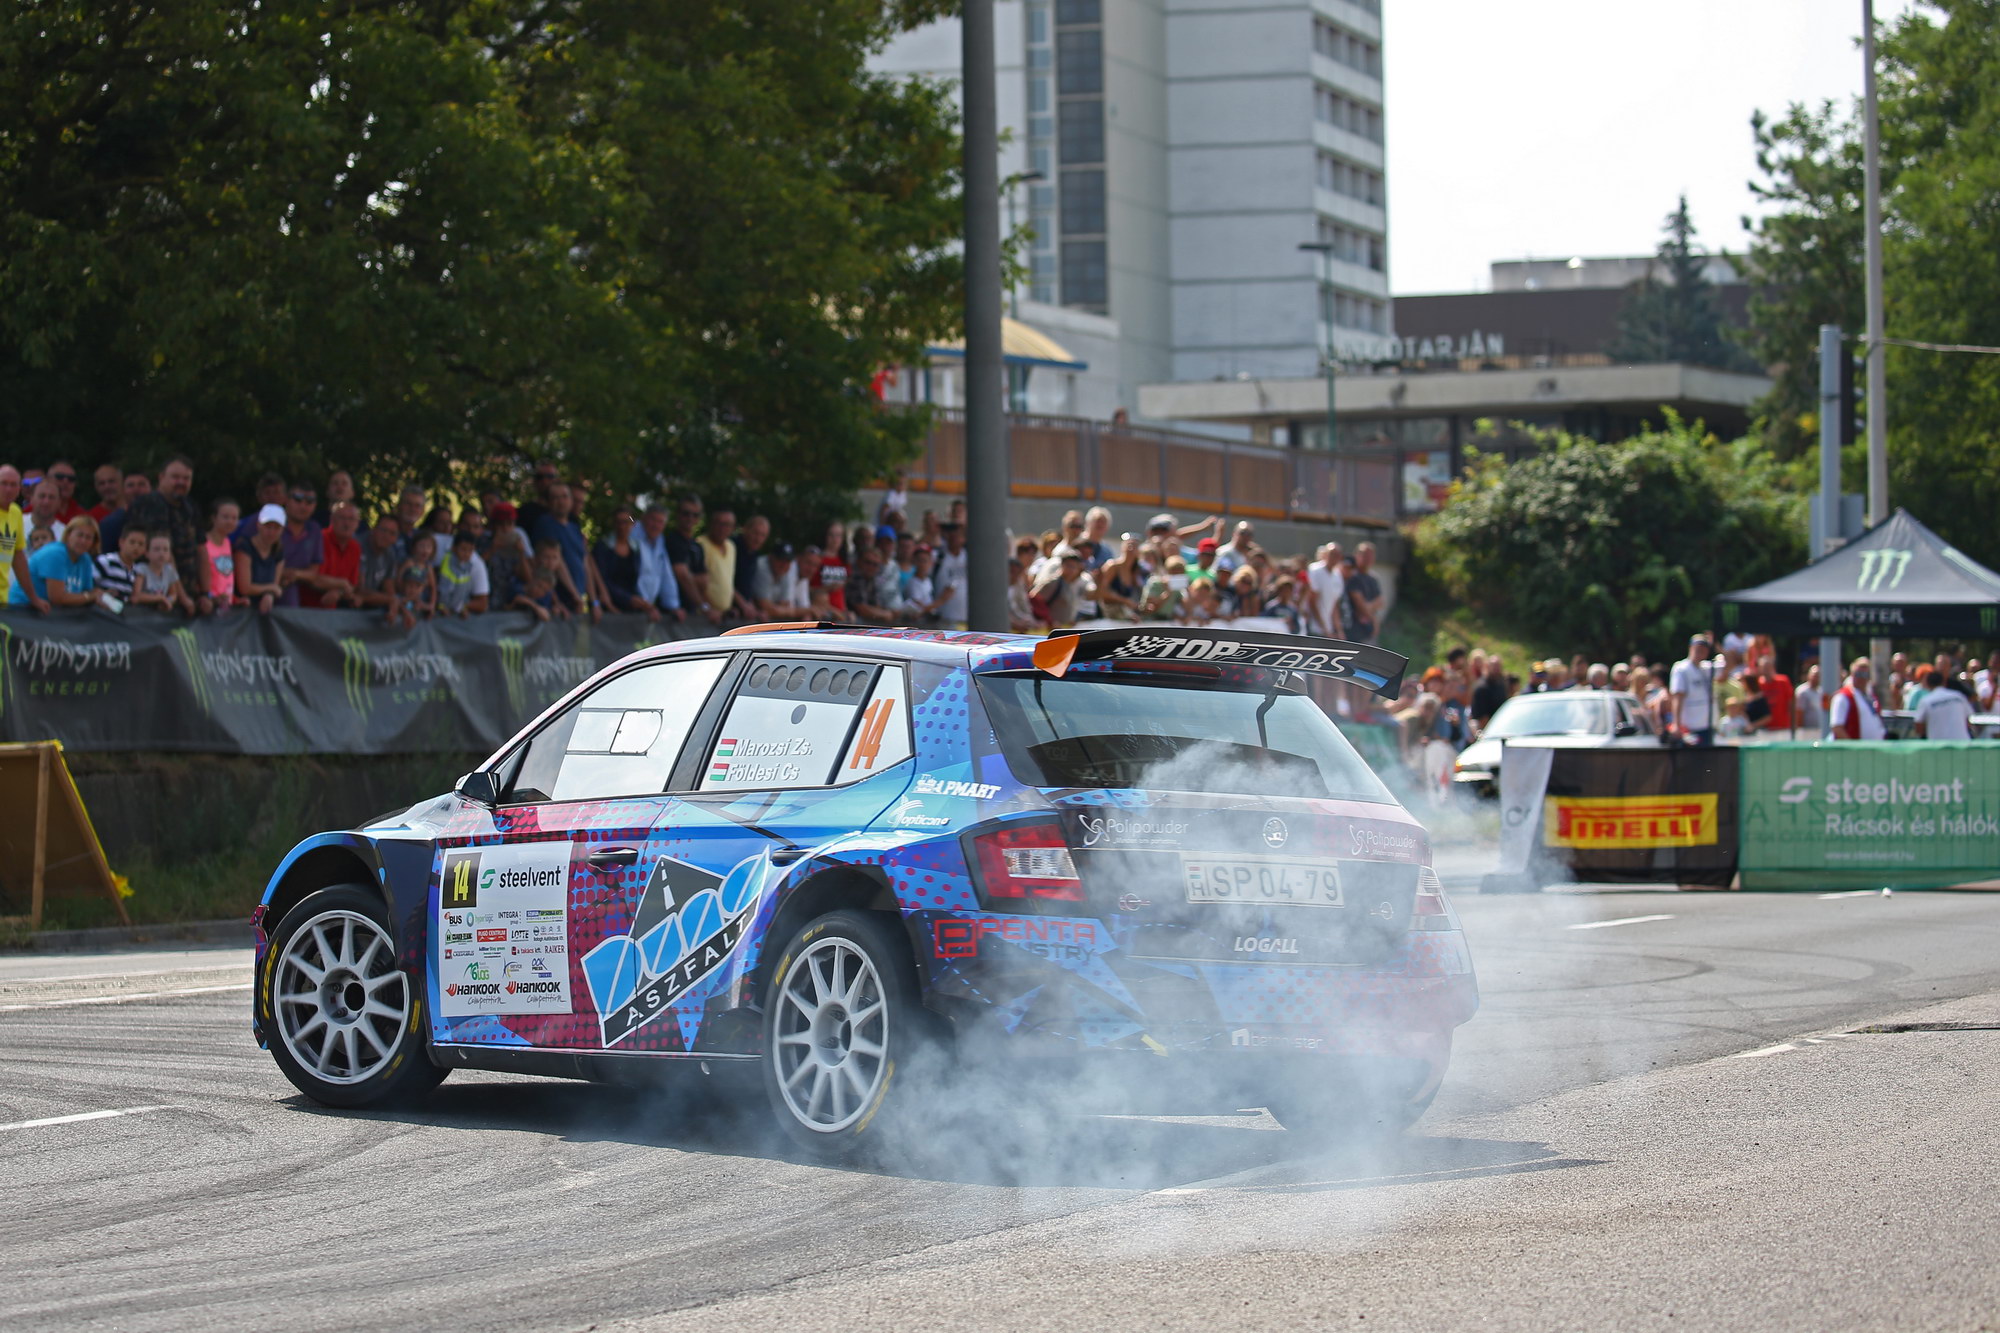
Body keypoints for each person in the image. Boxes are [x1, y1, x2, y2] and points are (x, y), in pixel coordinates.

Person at [127, 457, 210, 611]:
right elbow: (163, 552)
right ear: (161, 477)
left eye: (186, 478)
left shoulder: (191, 507)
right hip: (155, 597)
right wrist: (182, 597)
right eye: (175, 477)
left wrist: (205, 594)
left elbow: (202, 550)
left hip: (188, 593)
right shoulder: (149, 504)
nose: (181, 482)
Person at [14, 514, 101, 608]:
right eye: (80, 535)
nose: (83, 541)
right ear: (68, 535)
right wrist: (91, 596)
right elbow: (57, 598)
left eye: (88, 537)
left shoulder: (85, 559)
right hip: (22, 609)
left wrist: (101, 596)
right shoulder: (55, 554)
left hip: (51, 613)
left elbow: (87, 592)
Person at [666, 496, 718, 623]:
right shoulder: (671, 540)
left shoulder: (697, 546)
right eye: (686, 513)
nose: (690, 518)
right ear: (678, 514)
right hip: (671, 615)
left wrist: (688, 578)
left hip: (692, 614)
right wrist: (704, 607)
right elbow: (682, 575)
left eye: (695, 515)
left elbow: (704, 581)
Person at [593, 506, 652, 616]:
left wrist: (642, 602)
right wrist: (627, 598)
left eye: (626, 522)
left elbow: (638, 580)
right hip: (607, 609)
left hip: (631, 611)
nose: (622, 527)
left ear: (633, 525)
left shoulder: (636, 549)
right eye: (618, 522)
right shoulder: (603, 547)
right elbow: (601, 579)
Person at [698, 509, 755, 619]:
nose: (723, 528)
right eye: (719, 523)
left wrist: (734, 607)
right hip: (703, 616)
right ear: (712, 524)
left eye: (728, 525)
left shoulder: (731, 547)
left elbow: (727, 583)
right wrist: (707, 608)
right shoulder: (700, 544)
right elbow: (697, 582)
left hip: (724, 616)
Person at [0, 464, 41, 611]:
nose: (8, 489)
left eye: (13, 485)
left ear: (19, 489)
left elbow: (18, 557)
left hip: (3, 598)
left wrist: (33, 598)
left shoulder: (16, 512)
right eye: (3, 483)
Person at [631, 505, 683, 620]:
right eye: (653, 520)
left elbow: (666, 575)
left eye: (660, 522)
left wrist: (674, 606)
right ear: (644, 518)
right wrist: (643, 604)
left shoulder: (659, 540)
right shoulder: (632, 535)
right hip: (630, 605)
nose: (656, 525)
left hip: (647, 607)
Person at [236, 504, 287, 614]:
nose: (271, 532)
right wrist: (271, 589)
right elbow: (245, 588)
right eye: (268, 526)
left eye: (276, 528)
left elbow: (275, 585)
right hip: (241, 611)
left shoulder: (278, 551)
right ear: (258, 525)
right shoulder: (244, 547)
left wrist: (269, 594)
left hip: (263, 612)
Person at [1668, 634, 1717, 745]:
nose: (1700, 652)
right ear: (1691, 648)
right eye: (1698, 648)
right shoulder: (1681, 669)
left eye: (1704, 649)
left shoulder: (1707, 667)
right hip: (1691, 727)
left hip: (1707, 726)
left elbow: (1728, 668)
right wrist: (1676, 724)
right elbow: (1678, 697)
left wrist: (1717, 646)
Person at [314, 503, 364, 608]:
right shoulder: (320, 538)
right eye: (342, 518)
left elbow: (352, 584)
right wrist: (342, 584)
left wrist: (340, 592)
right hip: (304, 608)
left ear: (357, 524)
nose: (346, 523)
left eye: (351, 519)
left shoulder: (355, 547)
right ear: (332, 520)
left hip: (331, 613)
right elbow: (314, 578)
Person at [133, 531, 195, 615]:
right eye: (156, 549)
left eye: (165, 550)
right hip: (140, 612)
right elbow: (136, 596)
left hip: (159, 613)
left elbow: (173, 593)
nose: (161, 554)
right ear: (147, 553)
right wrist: (160, 598)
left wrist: (168, 601)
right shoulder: (142, 569)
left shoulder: (169, 571)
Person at [356, 514, 404, 619]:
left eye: (392, 533)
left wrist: (401, 611)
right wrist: (390, 600)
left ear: (396, 538)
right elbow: (359, 590)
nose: (386, 536)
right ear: (374, 529)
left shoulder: (390, 553)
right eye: (383, 530)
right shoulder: (358, 546)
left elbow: (389, 587)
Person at [435, 531, 490, 617]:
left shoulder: (471, 564)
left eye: (470, 550)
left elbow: (464, 591)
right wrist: (443, 606)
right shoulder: (446, 562)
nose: (466, 553)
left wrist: (462, 607)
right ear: (453, 548)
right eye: (463, 549)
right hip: (443, 608)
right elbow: (444, 588)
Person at [1829, 656, 1885, 740]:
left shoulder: (1871, 697)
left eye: (1865, 675)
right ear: (1852, 675)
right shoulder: (1843, 697)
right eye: (1858, 674)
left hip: (1873, 749)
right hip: (1856, 751)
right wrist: (1852, 749)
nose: (1862, 678)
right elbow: (1837, 728)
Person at [390, 532, 439, 626]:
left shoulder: (428, 567)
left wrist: (432, 605)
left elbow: (433, 587)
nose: (425, 550)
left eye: (428, 546)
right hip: (405, 596)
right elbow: (398, 579)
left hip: (418, 600)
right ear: (414, 547)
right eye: (421, 546)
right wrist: (406, 592)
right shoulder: (409, 563)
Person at [1912, 668, 1975, 740]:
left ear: (1927, 684)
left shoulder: (1926, 701)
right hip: (1962, 744)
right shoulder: (1958, 696)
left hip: (1939, 746)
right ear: (1944, 682)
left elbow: (1918, 728)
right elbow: (1968, 721)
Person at [752, 543, 810, 620]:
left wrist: (777, 612)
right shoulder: (762, 567)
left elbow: (785, 605)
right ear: (771, 557)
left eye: (788, 561)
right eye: (780, 559)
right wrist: (807, 611)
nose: (784, 564)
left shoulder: (785, 571)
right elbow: (767, 608)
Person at [202, 500, 242, 613]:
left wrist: (235, 599)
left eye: (234, 518)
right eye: (225, 517)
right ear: (214, 518)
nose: (230, 521)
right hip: (209, 606)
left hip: (225, 606)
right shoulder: (203, 544)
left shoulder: (228, 542)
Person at [98, 470, 151, 550]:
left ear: (150, 488)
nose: (136, 489)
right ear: (122, 490)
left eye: (141, 484)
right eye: (130, 485)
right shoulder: (110, 524)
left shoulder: (162, 519)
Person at [95, 526, 148, 606]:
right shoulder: (105, 561)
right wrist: (113, 604)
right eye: (132, 542)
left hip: (123, 614)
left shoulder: (137, 571)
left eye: (141, 544)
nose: (136, 547)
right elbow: (90, 589)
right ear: (121, 542)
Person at [1345, 541, 1383, 642]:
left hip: (1368, 630)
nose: (1368, 558)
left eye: (1371, 555)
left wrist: (1368, 606)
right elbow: (1360, 605)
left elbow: (1381, 602)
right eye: (1365, 555)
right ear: (1356, 555)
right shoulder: (1352, 577)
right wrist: (1375, 622)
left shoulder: (1373, 578)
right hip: (1353, 631)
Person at [1305, 542, 1345, 638]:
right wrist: (1323, 628)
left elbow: (1334, 604)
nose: (1333, 558)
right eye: (1331, 554)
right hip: (1312, 628)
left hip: (1327, 631)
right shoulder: (1314, 570)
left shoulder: (1338, 576)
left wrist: (1339, 630)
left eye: (1336, 555)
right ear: (1326, 554)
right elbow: (1312, 602)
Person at [732, 514, 771, 613]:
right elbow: (724, 582)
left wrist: (755, 609)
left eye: (762, 535)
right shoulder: (731, 547)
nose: (758, 539)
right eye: (755, 533)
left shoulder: (754, 554)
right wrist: (743, 604)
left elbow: (746, 587)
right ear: (745, 529)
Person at [933, 522, 969, 627]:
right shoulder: (938, 557)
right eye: (952, 536)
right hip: (945, 619)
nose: (954, 539)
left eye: (958, 535)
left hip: (966, 619)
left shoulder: (969, 557)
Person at [23, 478, 65, 549]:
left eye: (51, 497)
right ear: (31, 499)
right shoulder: (16, 523)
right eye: (42, 496)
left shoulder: (65, 534)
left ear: (59, 502)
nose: (46, 502)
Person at [1794, 663, 1826, 735]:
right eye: (1814, 676)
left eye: (1818, 676)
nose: (1816, 678)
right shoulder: (1802, 691)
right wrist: (1800, 731)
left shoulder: (1821, 691)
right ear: (1808, 676)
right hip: (1806, 731)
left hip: (1819, 730)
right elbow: (1799, 713)